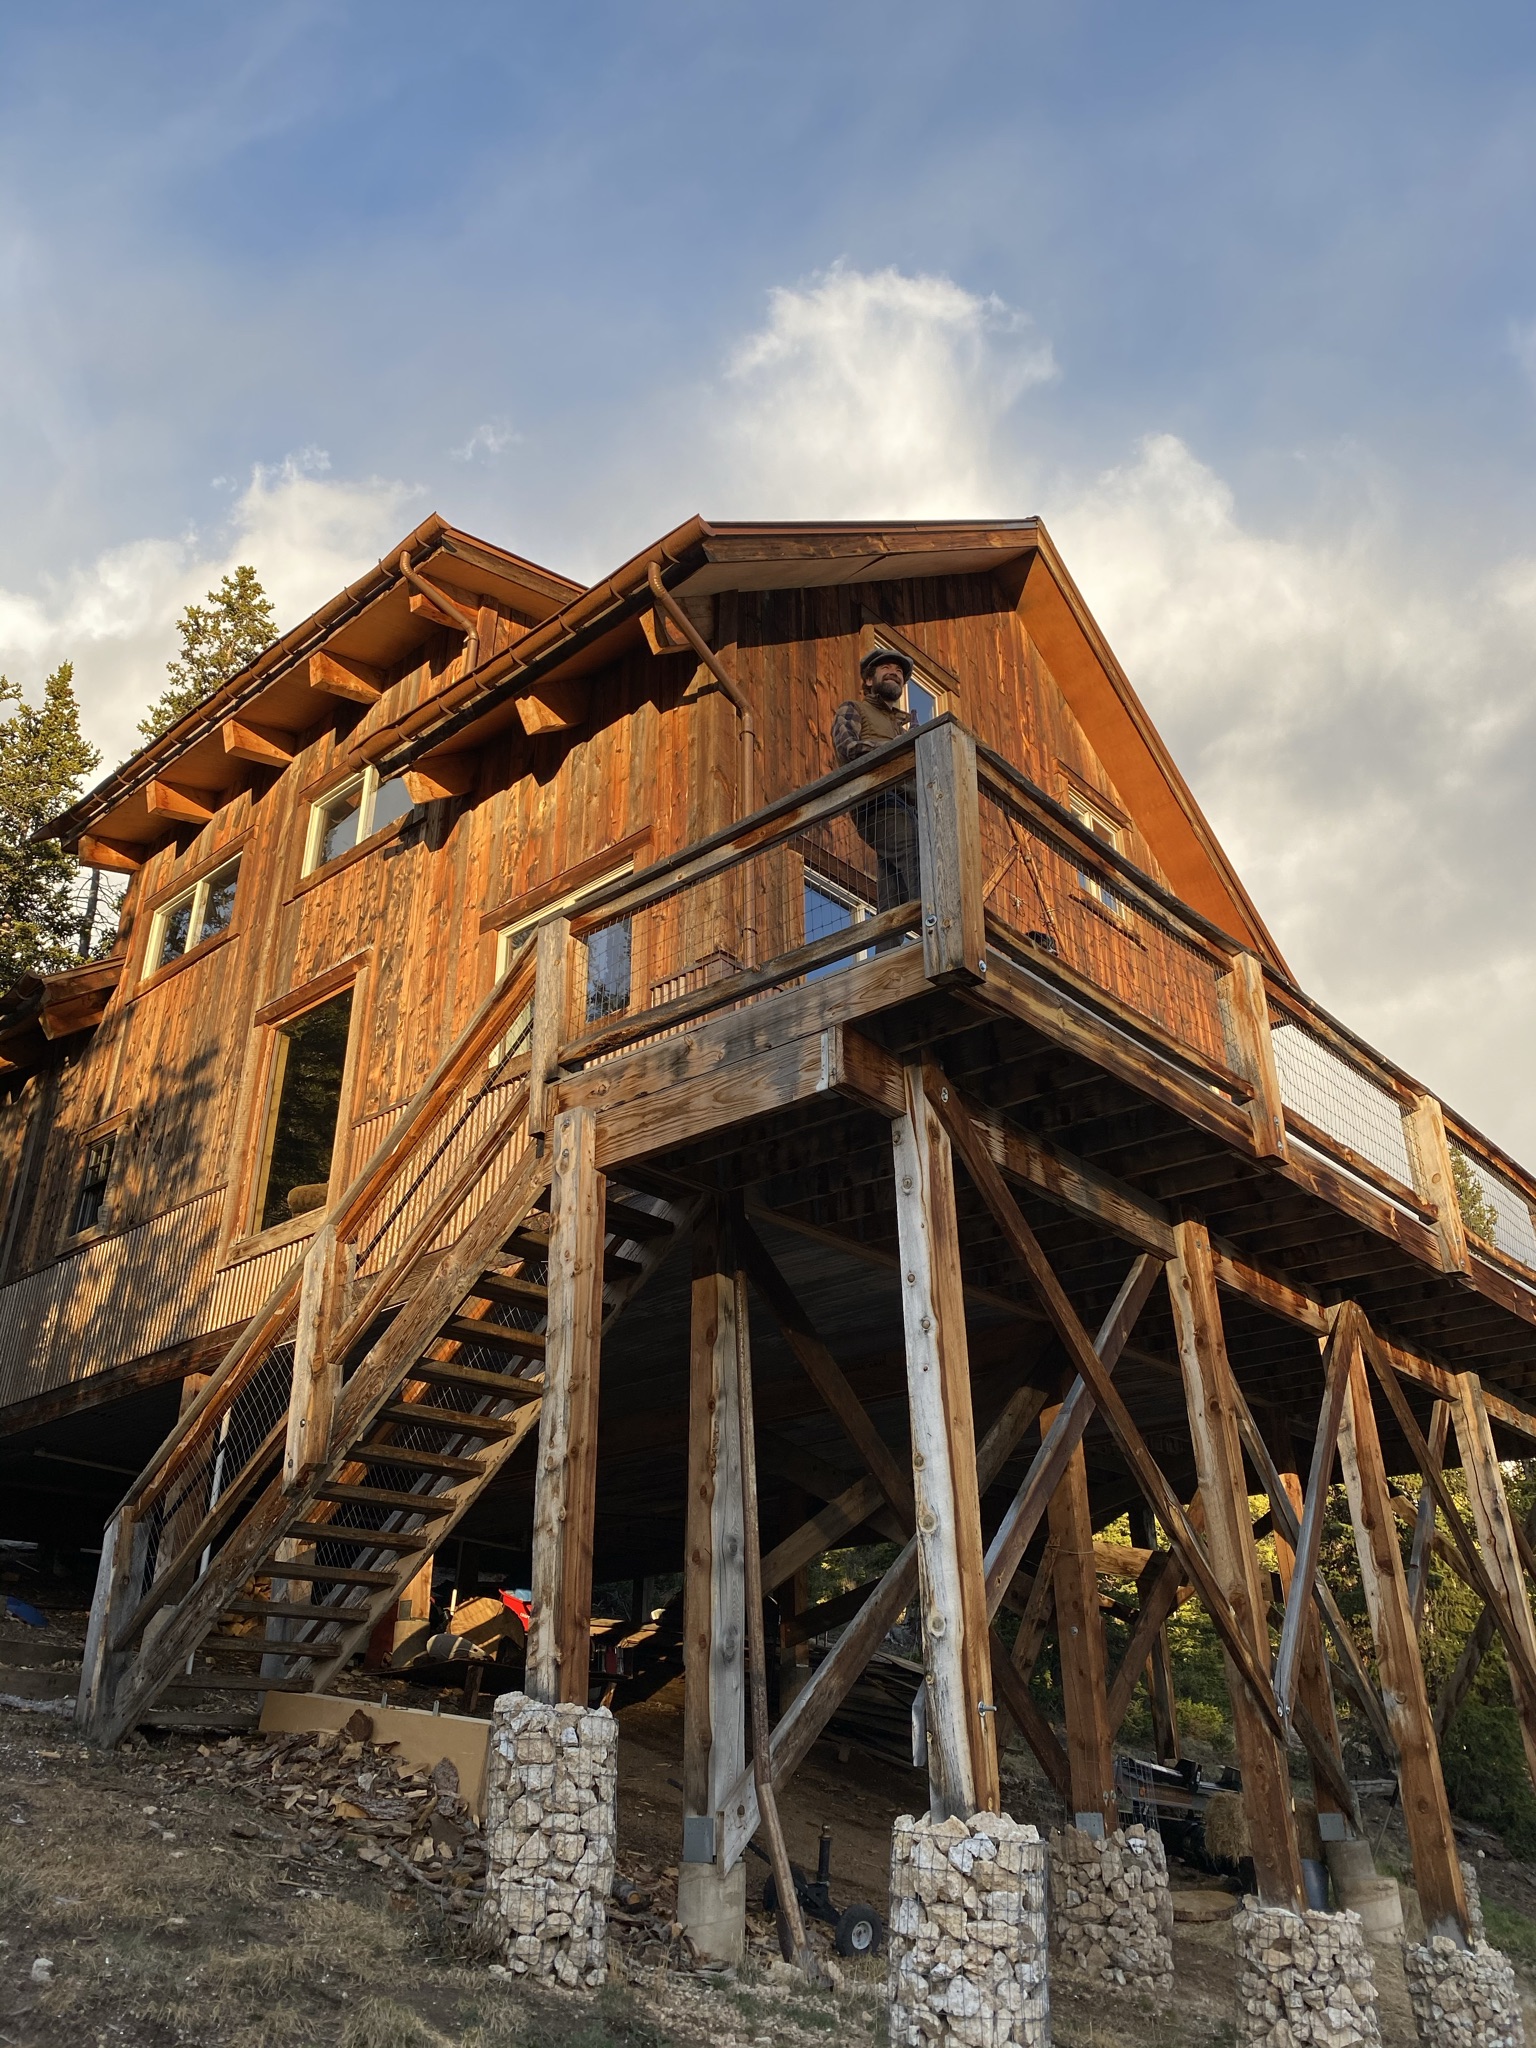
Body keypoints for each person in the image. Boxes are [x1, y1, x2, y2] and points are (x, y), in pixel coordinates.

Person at [832, 648, 921, 923]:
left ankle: (886, 952)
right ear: (870, 680)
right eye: (886, 668)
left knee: (892, 889)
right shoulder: (854, 708)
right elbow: (848, 747)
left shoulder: (903, 728)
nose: (894, 672)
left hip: (908, 807)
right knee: (918, 856)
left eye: (899, 671)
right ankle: (940, 923)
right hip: (876, 801)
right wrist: (898, 748)